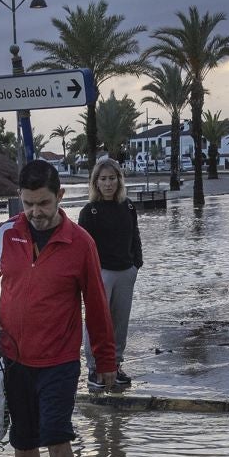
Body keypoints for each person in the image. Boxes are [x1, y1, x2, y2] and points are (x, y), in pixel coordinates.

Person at [0, 159, 119, 457]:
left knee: (56, 434)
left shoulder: (81, 244)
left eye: (43, 203)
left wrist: (106, 360)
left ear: (60, 196)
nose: (35, 212)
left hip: (60, 361)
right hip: (13, 357)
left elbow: (97, 306)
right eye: (28, 204)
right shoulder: (6, 233)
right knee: (23, 438)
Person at [75, 157, 143, 389]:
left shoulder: (129, 206)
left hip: (126, 272)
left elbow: (135, 236)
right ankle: (95, 369)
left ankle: (115, 364)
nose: (108, 184)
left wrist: (137, 264)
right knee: (96, 323)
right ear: (95, 183)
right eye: (103, 179)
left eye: (112, 178)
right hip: (100, 274)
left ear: (119, 180)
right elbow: (81, 248)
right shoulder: (89, 212)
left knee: (119, 323)